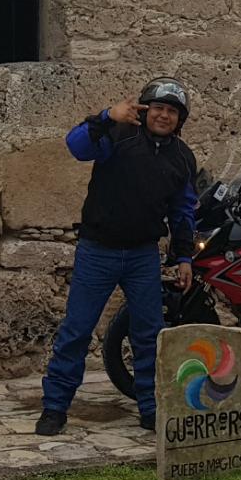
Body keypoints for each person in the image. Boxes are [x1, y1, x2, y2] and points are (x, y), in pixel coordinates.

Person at [35, 77, 198, 435]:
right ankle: (55, 407)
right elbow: (76, 146)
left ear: (180, 119)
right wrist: (108, 115)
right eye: (158, 107)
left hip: (142, 255)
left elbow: (183, 211)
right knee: (76, 331)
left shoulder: (182, 158)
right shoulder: (118, 135)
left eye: (172, 111)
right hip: (98, 250)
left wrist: (183, 257)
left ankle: (150, 408)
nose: (164, 115)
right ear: (144, 108)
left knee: (148, 335)